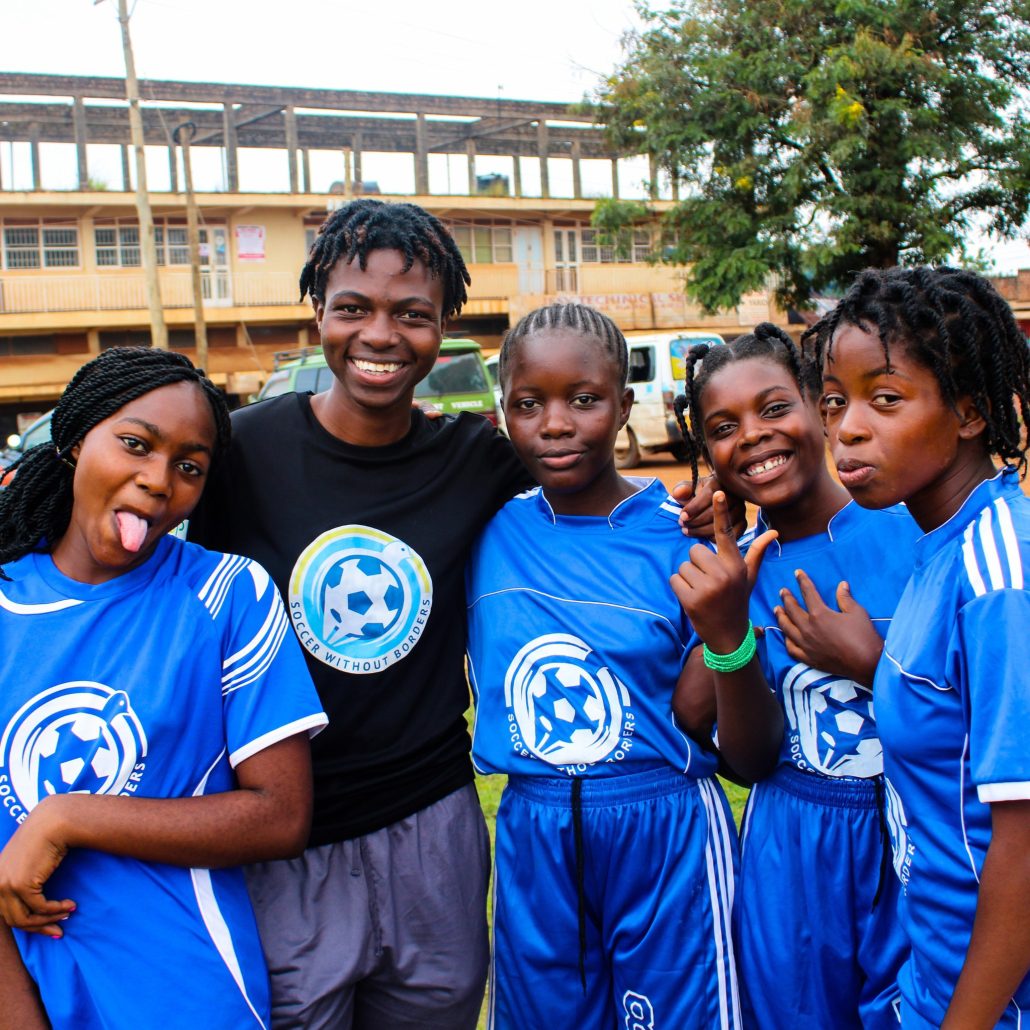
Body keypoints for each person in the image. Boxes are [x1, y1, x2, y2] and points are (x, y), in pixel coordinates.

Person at [466, 302, 782, 1029]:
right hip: (534, 828)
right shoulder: (487, 528)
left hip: (663, 827)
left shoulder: (685, 540)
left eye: (584, 400)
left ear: (623, 405)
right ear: (504, 411)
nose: (555, 424)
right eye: (528, 404)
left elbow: (710, 714)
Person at [0, 347, 327, 1029]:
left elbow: (281, 815)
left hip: (184, 993)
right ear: (73, 440)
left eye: (189, 467)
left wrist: (67, 817)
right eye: (135, 444)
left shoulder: (226, 595)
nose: (157, 481)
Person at [804, 266, 1030, 1029]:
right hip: (933, 977)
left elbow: (1024, 846)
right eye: (835, 401)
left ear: (970, 412)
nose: (847, 428)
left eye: (886, 398)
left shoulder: (999, 576)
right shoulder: (935, 546)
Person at [675, 322, 918, 1028]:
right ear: (709, 459)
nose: (753, 435)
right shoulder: (738, 567)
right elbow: (731, 748)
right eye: (724, 428)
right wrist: (727, 631)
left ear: (822, 408)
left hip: (912, 839)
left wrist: (869, 663)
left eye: (775, 408)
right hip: (791, 854)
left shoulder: (911, 530)